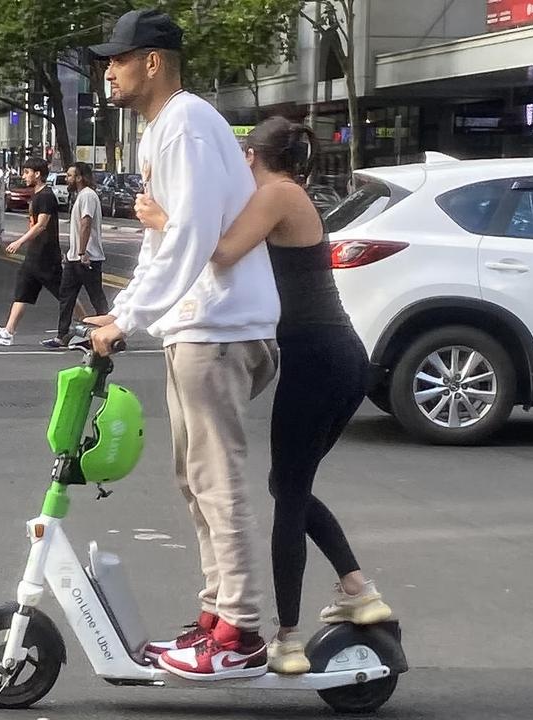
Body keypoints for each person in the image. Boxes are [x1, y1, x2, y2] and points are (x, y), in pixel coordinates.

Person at [135, 116, 393, 675]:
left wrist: (164, 219)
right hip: (324, 355)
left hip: (321, 356)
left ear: (251, 158)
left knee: (289, 494)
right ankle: (356, 588)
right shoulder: (285, 193)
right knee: (286, 486)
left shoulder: (278, 194)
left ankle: (288, 638)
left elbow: (221, 250)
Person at [86, 9, 281, 681]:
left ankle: (241, 631)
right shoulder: (163, 132)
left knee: (218, 481)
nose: (106, 69)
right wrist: (120, 313)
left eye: (117, 58)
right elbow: (158, 243)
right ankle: (216, 617)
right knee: (194, 480)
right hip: (198, 326)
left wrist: (130, 321)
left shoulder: (188, 123)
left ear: (153, 62)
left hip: (219, 329)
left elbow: (193, 235)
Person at [0, 157, 63, 346]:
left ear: (38, 174)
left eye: (27, 172)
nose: (24, 176)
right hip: (35, 254)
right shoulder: (37, 195)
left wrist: (19, 241)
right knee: (23, 291)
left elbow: (41, 225)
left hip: (46, 255)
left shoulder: (45, 196)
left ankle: (86, 325)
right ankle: (8, 332)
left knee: (64, 294)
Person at [41, 161, 109, 350]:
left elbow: (86, 223)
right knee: (66, 296)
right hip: (75, 258)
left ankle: (111, 332)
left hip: (87, 258)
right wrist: (72, 253)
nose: (67, 178)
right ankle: (62, 336)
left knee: (97, 298)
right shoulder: (81, 196)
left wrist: (81, 251)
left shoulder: (87, 196)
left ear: (80, 178)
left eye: (70, 175)